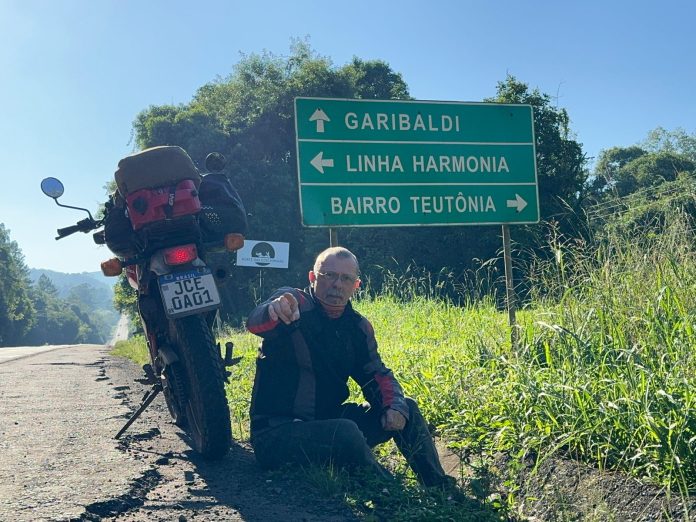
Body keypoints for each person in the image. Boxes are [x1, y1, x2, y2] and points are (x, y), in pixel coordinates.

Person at [246, 246, 456, 489]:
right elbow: (256, 322)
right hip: (275, 434)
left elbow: (375, 374)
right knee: (345, 432)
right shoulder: (294, 305)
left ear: (356, 286)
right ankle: (393, 495)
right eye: (329, 275)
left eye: (346, 279)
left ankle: (441, 489)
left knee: (405, 406)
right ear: (312, 277)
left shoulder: (357, 328)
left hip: (327, 424)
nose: (337, 284)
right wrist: (275, 309)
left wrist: (394, 407)